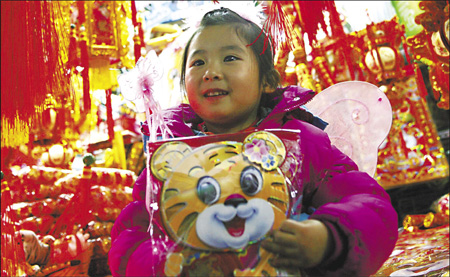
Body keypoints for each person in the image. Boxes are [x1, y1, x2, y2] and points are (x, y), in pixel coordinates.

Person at [109, 7, 398, 277]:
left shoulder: (302, 142)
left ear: (268, 81)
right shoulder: (172, 159)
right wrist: (166, 263)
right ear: (185, 87)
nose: (211, 72)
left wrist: (329, 237)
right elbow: (130, 238)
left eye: (230, 58)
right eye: (198, 62)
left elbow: (371, 206)